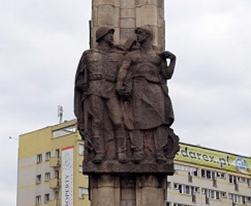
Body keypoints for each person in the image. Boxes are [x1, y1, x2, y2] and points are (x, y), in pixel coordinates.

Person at [116, 27, 178, 163]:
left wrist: (173, 60)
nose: (138, 37)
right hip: (138, 88)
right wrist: (119, 84)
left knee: (161, 120)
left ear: (148, 36)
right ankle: (137, 151)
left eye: (140, 34)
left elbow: (167, 75)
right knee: (134, 121)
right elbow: (123, 70)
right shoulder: (132, 55)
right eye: (137, 34)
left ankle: (160, 151)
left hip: (154, 89)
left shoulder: (158, 56)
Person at [74, 27, 128, 163]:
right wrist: (81, 84)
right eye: (109, 34)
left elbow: (127, 74)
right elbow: (80, 75)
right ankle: (99, 152)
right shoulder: (88, 54)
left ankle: (121, 152)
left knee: (118, 121)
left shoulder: (118, 55)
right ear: (102, 36)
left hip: (111, 89)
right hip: (94, 89)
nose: (112, 37)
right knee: (96, 122)